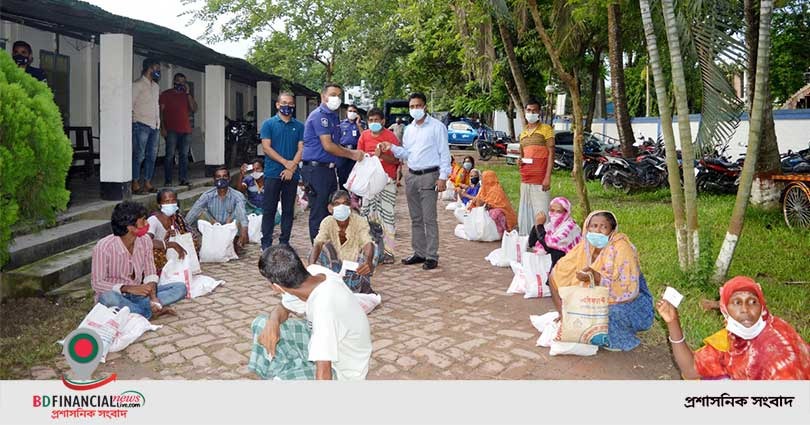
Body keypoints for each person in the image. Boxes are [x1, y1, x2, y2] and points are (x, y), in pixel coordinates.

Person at [248, 244, 372, 380]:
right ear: (300, 263)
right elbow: (284, 307)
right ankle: (282, 373)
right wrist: (273, 321)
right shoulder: (314, 273)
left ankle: (286, 374)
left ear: (277, 288)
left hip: (342, 369)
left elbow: (324, 371)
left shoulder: (323, 309)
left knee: (281, 382)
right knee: (262, 324)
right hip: (330, 342)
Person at [656, 276, 810, 380]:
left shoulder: (778, 342)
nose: (745, 309)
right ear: (724, 310)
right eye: (736, 302)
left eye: (752, 302)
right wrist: (672, 322)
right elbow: (690, 370)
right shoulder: (733, 340)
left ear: (762, 306)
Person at [549, 210, 653, 351]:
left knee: (605, 314)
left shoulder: (622, 248)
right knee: (581, 316)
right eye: (593, 226)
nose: (597, 231)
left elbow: (626, 289)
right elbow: (556, 275)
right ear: (587, 227)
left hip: (630, 303)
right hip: (597, 299)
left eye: (603, 227)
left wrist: (595, 277)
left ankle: (622, 339)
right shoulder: (584, 248)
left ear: (612, 230)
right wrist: (563, 314)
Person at [378, 93, 451, 270]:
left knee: (429, 218)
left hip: (429, 175)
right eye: (412, 107)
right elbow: (407, 153)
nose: (415, 109)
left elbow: (444, 154)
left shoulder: (437, 127)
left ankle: (432, 255)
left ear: (424, 107)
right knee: (416, 218)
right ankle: (419, 252)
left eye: (418, 106)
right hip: (412, 175)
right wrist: (392, 148)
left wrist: (443, 177)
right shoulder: (409, 129)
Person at [91, 201, 187, 319]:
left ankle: (138, 309)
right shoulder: (103, 247)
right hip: (117, 294)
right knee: (108, 298)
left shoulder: (145, 240)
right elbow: (97, 283)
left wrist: (153, 298)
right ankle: (147, 313)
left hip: (139, 294)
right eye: (143, 221)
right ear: (130, 227)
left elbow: (150, 273)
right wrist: (128, 288)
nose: (147, 224)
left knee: (180, 288)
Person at [301, 83, 365, 242]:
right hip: (316, 171)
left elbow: (337, 144)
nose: (336, 98)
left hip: (329, 170)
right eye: (332, 94)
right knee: (319, 212)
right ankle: (318, 251)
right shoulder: (319, 116)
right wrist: (351, 154)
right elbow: (328, 146)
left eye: (338, 95)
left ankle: (328, 246)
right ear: (323, 96)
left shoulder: (333, 117)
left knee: (331, 209)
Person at [259, 92, 304, 249]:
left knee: (288, 210)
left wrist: (292, 167)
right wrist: (286, 163)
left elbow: (301, 148)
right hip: (272, 173)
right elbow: (266, 147)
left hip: (292, 174)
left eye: (290, 103)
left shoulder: (299, 126)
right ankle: (266, 243)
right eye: (284, 103)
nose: (287, 106)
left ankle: (284, 242)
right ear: (277, 105)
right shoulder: (268, 124)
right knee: (269, 209)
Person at [308, 190, 377, 294]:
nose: (342, 207)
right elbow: (318, 243)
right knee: (321, 249)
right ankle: (335, 287)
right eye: (337, 204)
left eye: (346, 203)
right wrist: (311, 268)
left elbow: (367, 242)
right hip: (335, 269)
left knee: (373, 249)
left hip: (355, 268)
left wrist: (368, 261)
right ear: (330, 208)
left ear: (350, 207)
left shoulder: (359, 221)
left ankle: (361, 286)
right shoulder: (327, 222)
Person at [358, 107, 400, 262]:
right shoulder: (364, 136)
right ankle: (370, 250)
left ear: (383, 121)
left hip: (387, 182)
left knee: (387, 218)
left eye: (377, 120)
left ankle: (389, 252)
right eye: (371, 121)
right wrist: (367, 158)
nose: (374, 123)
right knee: (367, 217)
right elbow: (359, 157)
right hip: (369, 183)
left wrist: (381, 156)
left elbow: (397, 161)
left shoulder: (391, 137)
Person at [185, 166, 249, 254]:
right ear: (214, 179)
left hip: (230, 227)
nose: (221, 179)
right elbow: (194, 212)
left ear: (229, 178)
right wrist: (183, 229)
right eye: (218, 177)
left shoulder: (237, 195)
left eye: (224, 176)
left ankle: (235, 242)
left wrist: (244, 232)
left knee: (239, 215)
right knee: (201, 213)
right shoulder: (207, 195)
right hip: (213, 226)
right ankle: (209, 242)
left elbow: (242, 214)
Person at [517, 98, 555, 235]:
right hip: (526, 178)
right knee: (526, 210)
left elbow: (551, 153)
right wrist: (519, 161)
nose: (531, 113)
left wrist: (547, 178)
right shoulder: (522, 133)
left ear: (539, 112)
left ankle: (543, 241)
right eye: (528, 110)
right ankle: (526, 238)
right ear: (525, 112)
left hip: (540, 180)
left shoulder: (546, 129)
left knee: (541, 212)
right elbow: (522, 156)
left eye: (534, 111)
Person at [159, 72, 197, 186]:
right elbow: (160, 112)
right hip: (171, 130)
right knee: (169, 155)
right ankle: (168, 180)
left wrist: (188, 94)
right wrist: (162, 127)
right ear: (174, 81)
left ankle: (183, 179)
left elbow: (194, 108)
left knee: (184, 156)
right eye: (178, 81)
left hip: (186, 130)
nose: (180, 83)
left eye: (183, 82)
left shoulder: (186, 96)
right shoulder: (166, 94)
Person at [147, 189, 200, 271]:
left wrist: (180, 234)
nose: (170, 204)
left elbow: (190, 234)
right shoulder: (153, 220)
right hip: (161, 252)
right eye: (166, 202)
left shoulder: (177, 218)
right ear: (159, 205)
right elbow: (146, 241)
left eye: (173, 201)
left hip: (174, 251)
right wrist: (168, 242)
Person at [132, 57, 162, 195]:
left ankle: (148, 182)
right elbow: (130, 106)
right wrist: (134, 123)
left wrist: (158, 123)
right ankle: (135, 183)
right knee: (139, 155)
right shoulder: (137, 85)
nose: (158, 72)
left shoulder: (156, 87)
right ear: (150, 68)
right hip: (141, 124)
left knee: (152, 156)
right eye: (157, 69)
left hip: (154, 126)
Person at [527, 197, 581, 268]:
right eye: (552, 210)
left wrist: (540, 226)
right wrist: (537, 225)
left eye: (559, 211)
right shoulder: (552, 226)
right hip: (554, 262)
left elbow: (548, 245)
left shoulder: (570, 227)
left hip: (569, 264)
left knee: (556, 251)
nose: (554, 214)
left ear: (567, 212)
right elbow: (531, 242)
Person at [466, 170, 517, 236]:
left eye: (484, 178)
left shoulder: (497, 190)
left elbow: (500, 205)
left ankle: (501, 232)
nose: (483, 180)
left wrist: (487, 205)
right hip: (485, 209)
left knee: (495, 213)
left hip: (501, 213)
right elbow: (476, 200)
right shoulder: (483, 189)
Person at [337, 104, 366, 187]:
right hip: (343, 151)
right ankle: (343, 195)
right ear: (346, 112)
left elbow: (364, 136)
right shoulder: (341, 124)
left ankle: (354, 197)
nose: (352, 113)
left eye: (354, 111)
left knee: (355, 174)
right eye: (350, 111)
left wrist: (358, 124)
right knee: (342, 175)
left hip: (355, 152)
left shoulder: (362, 124)